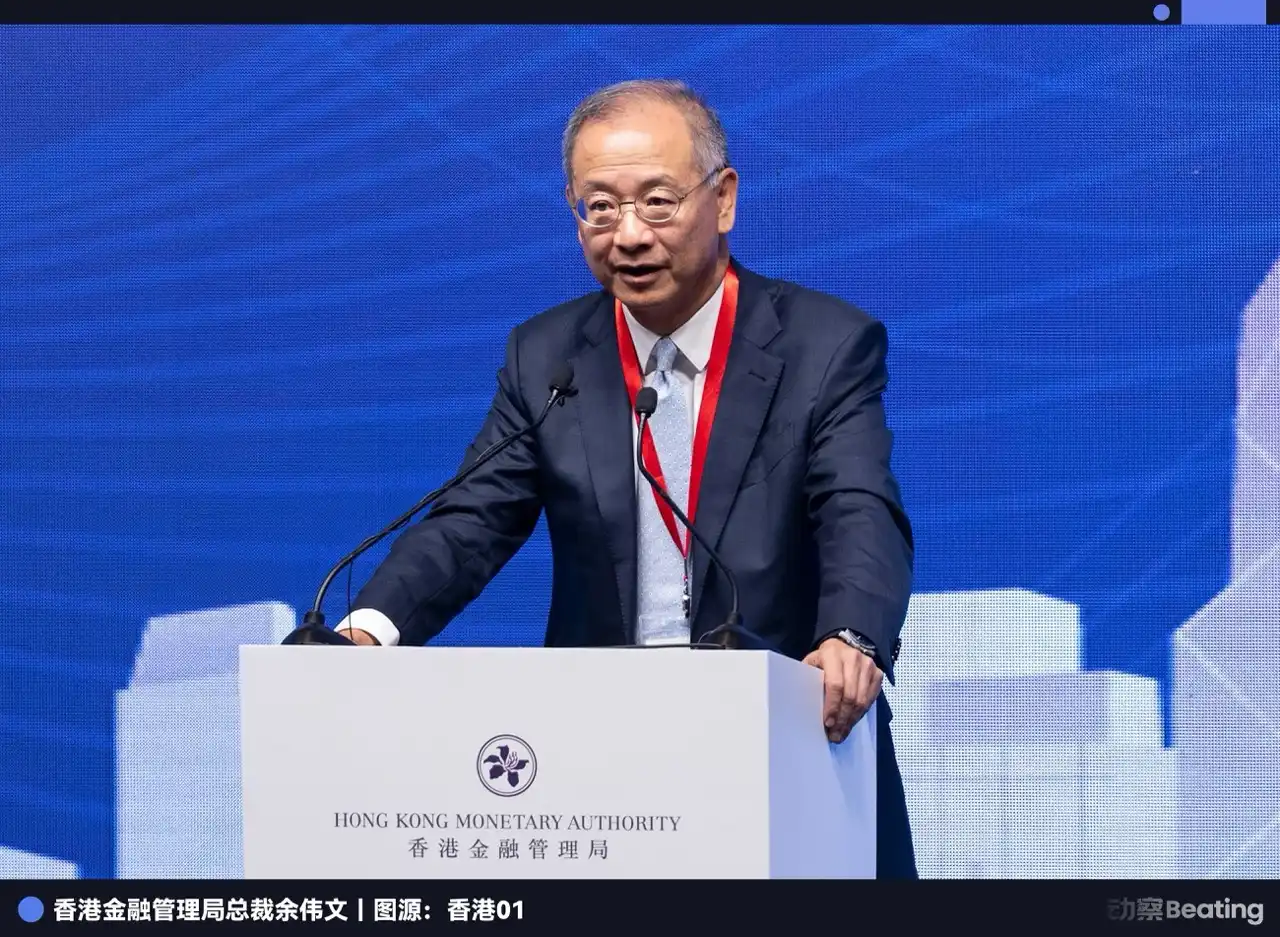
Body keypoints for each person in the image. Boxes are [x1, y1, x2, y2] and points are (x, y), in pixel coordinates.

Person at [334, 79, 917, 879]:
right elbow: (472, 519)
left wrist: (850, 636)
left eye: (657, 202)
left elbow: (858, 505)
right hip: (602, 766)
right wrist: (368, 630)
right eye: (599, 208)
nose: (629, 235)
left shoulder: (825, 344)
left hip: (784, 738)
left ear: (724, 199)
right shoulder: (548, 357)